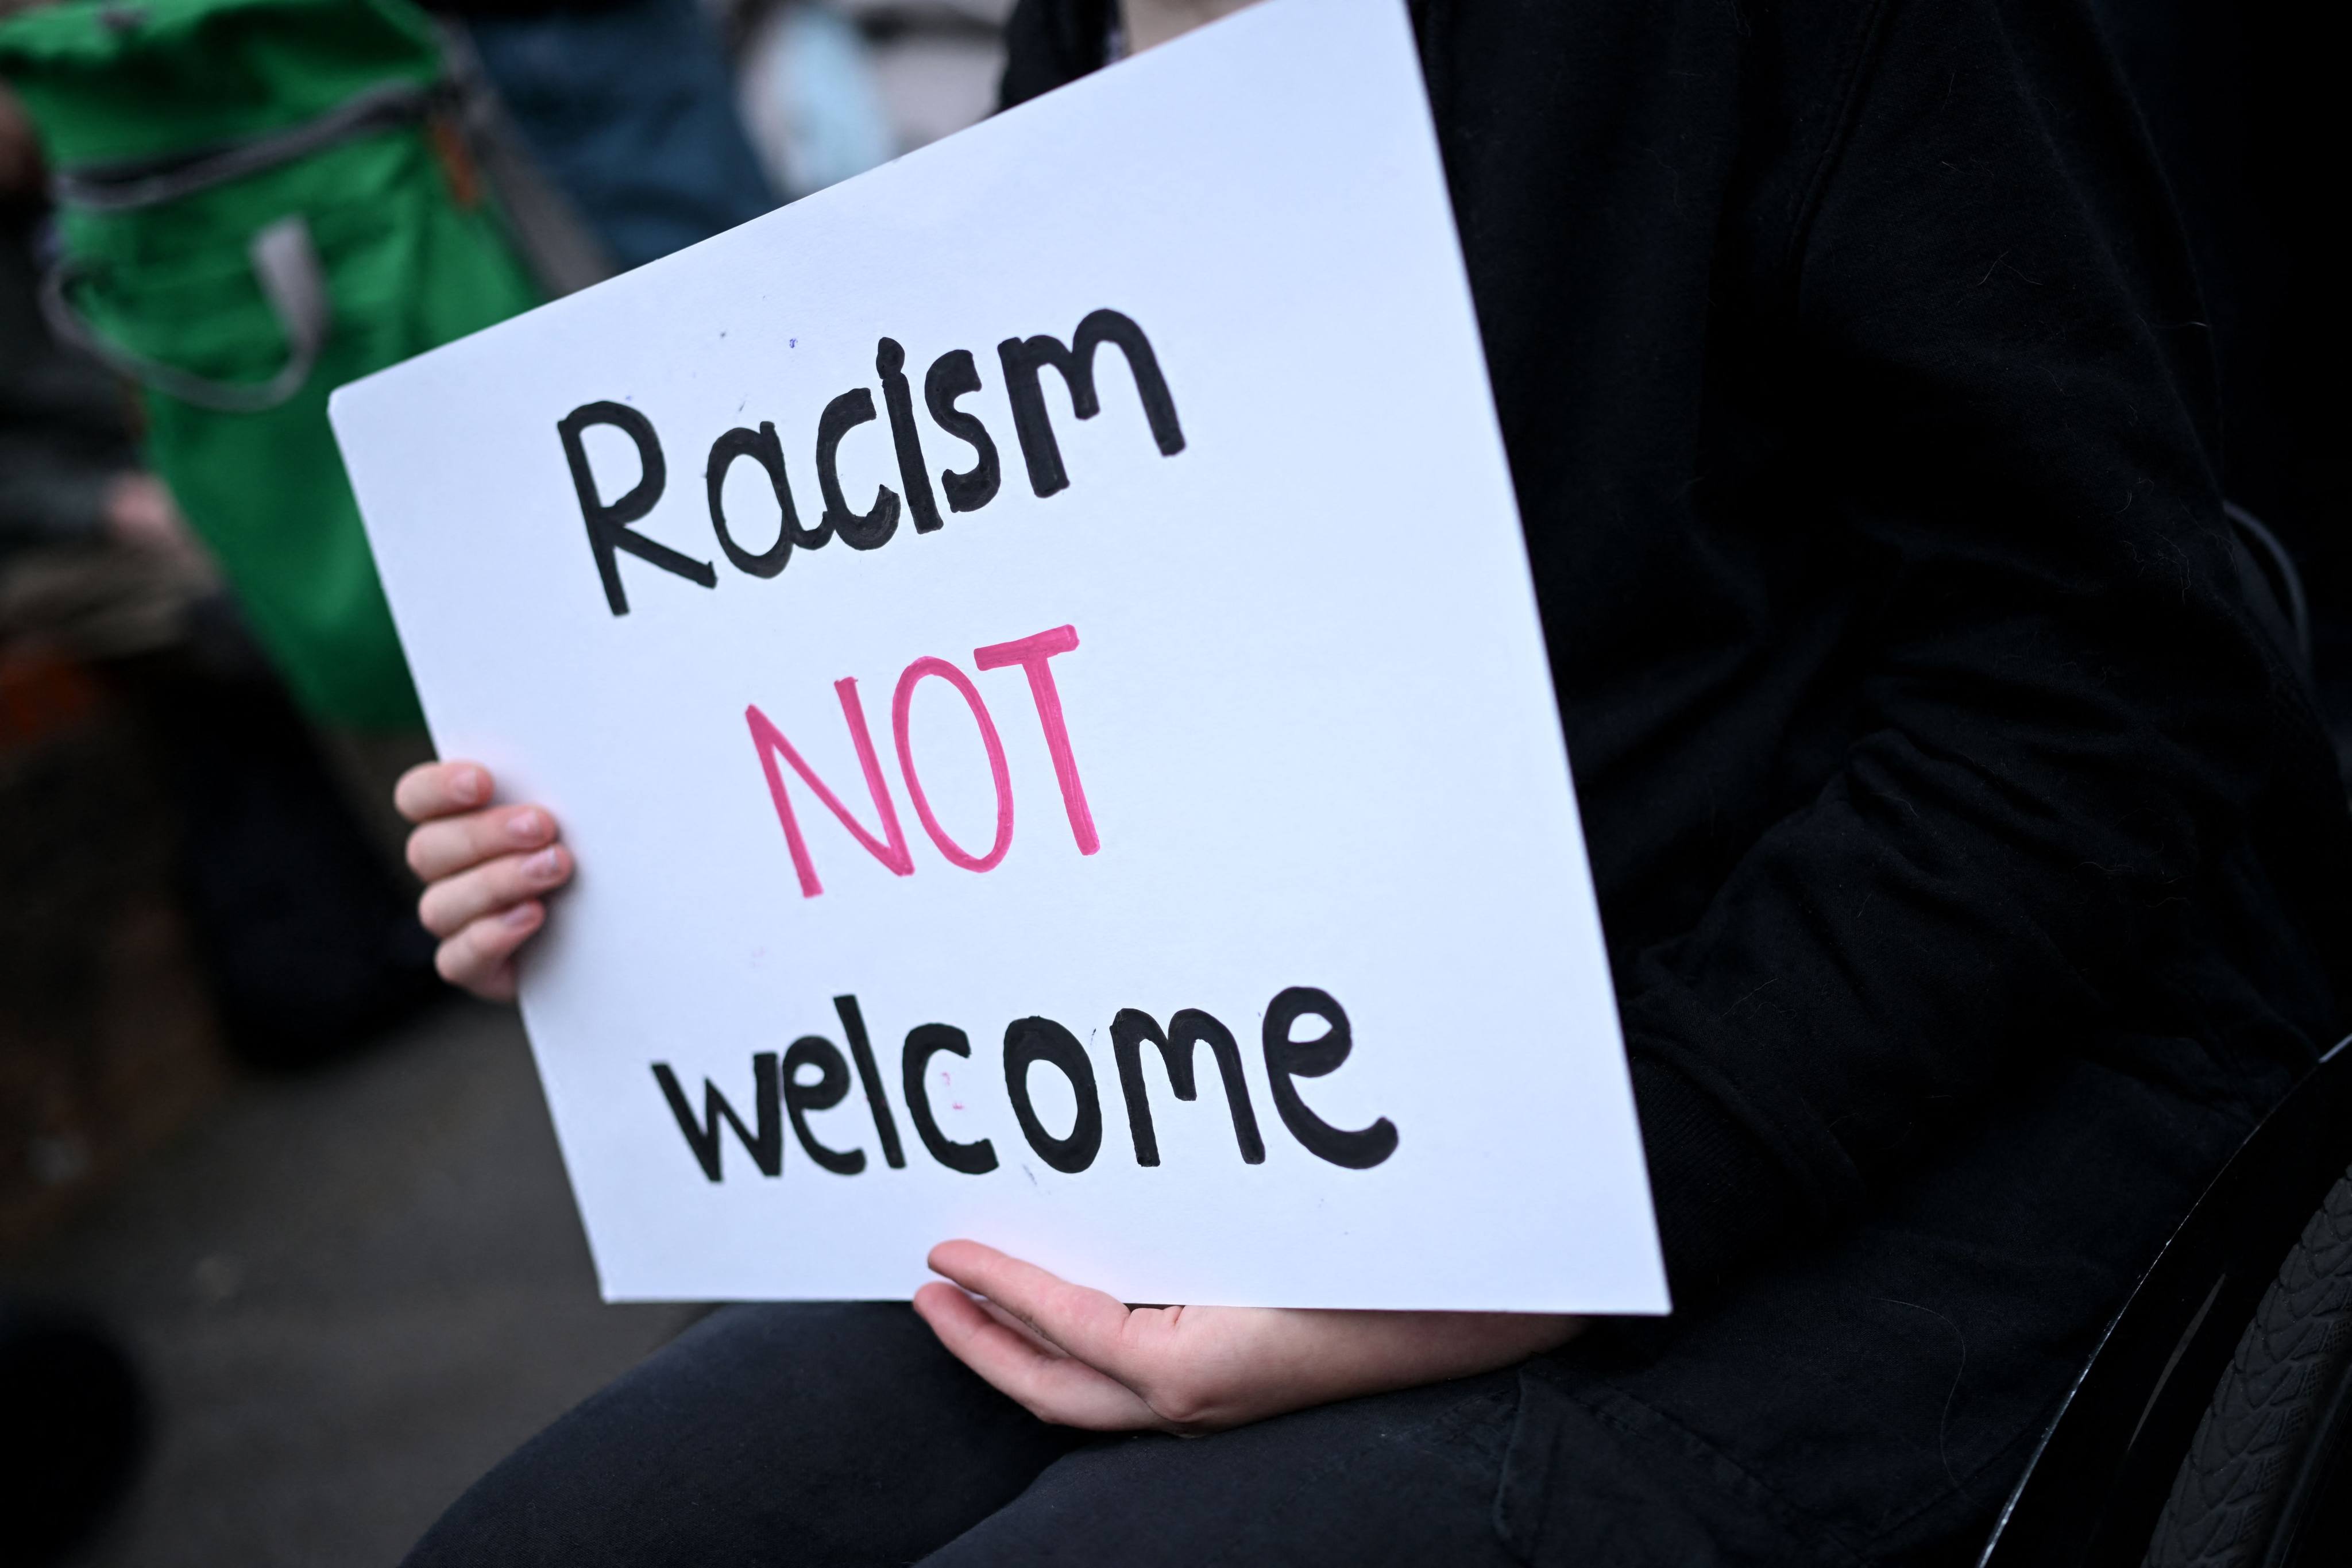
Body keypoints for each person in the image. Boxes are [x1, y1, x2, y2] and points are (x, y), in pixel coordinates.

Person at [391, 0, 2352, 1561]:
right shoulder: (1080, 27)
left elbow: (2110, 704)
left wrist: (1514, 1265)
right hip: (1303, 1129)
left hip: (1908, 1131)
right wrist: (643, 852)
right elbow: (1114, 644)